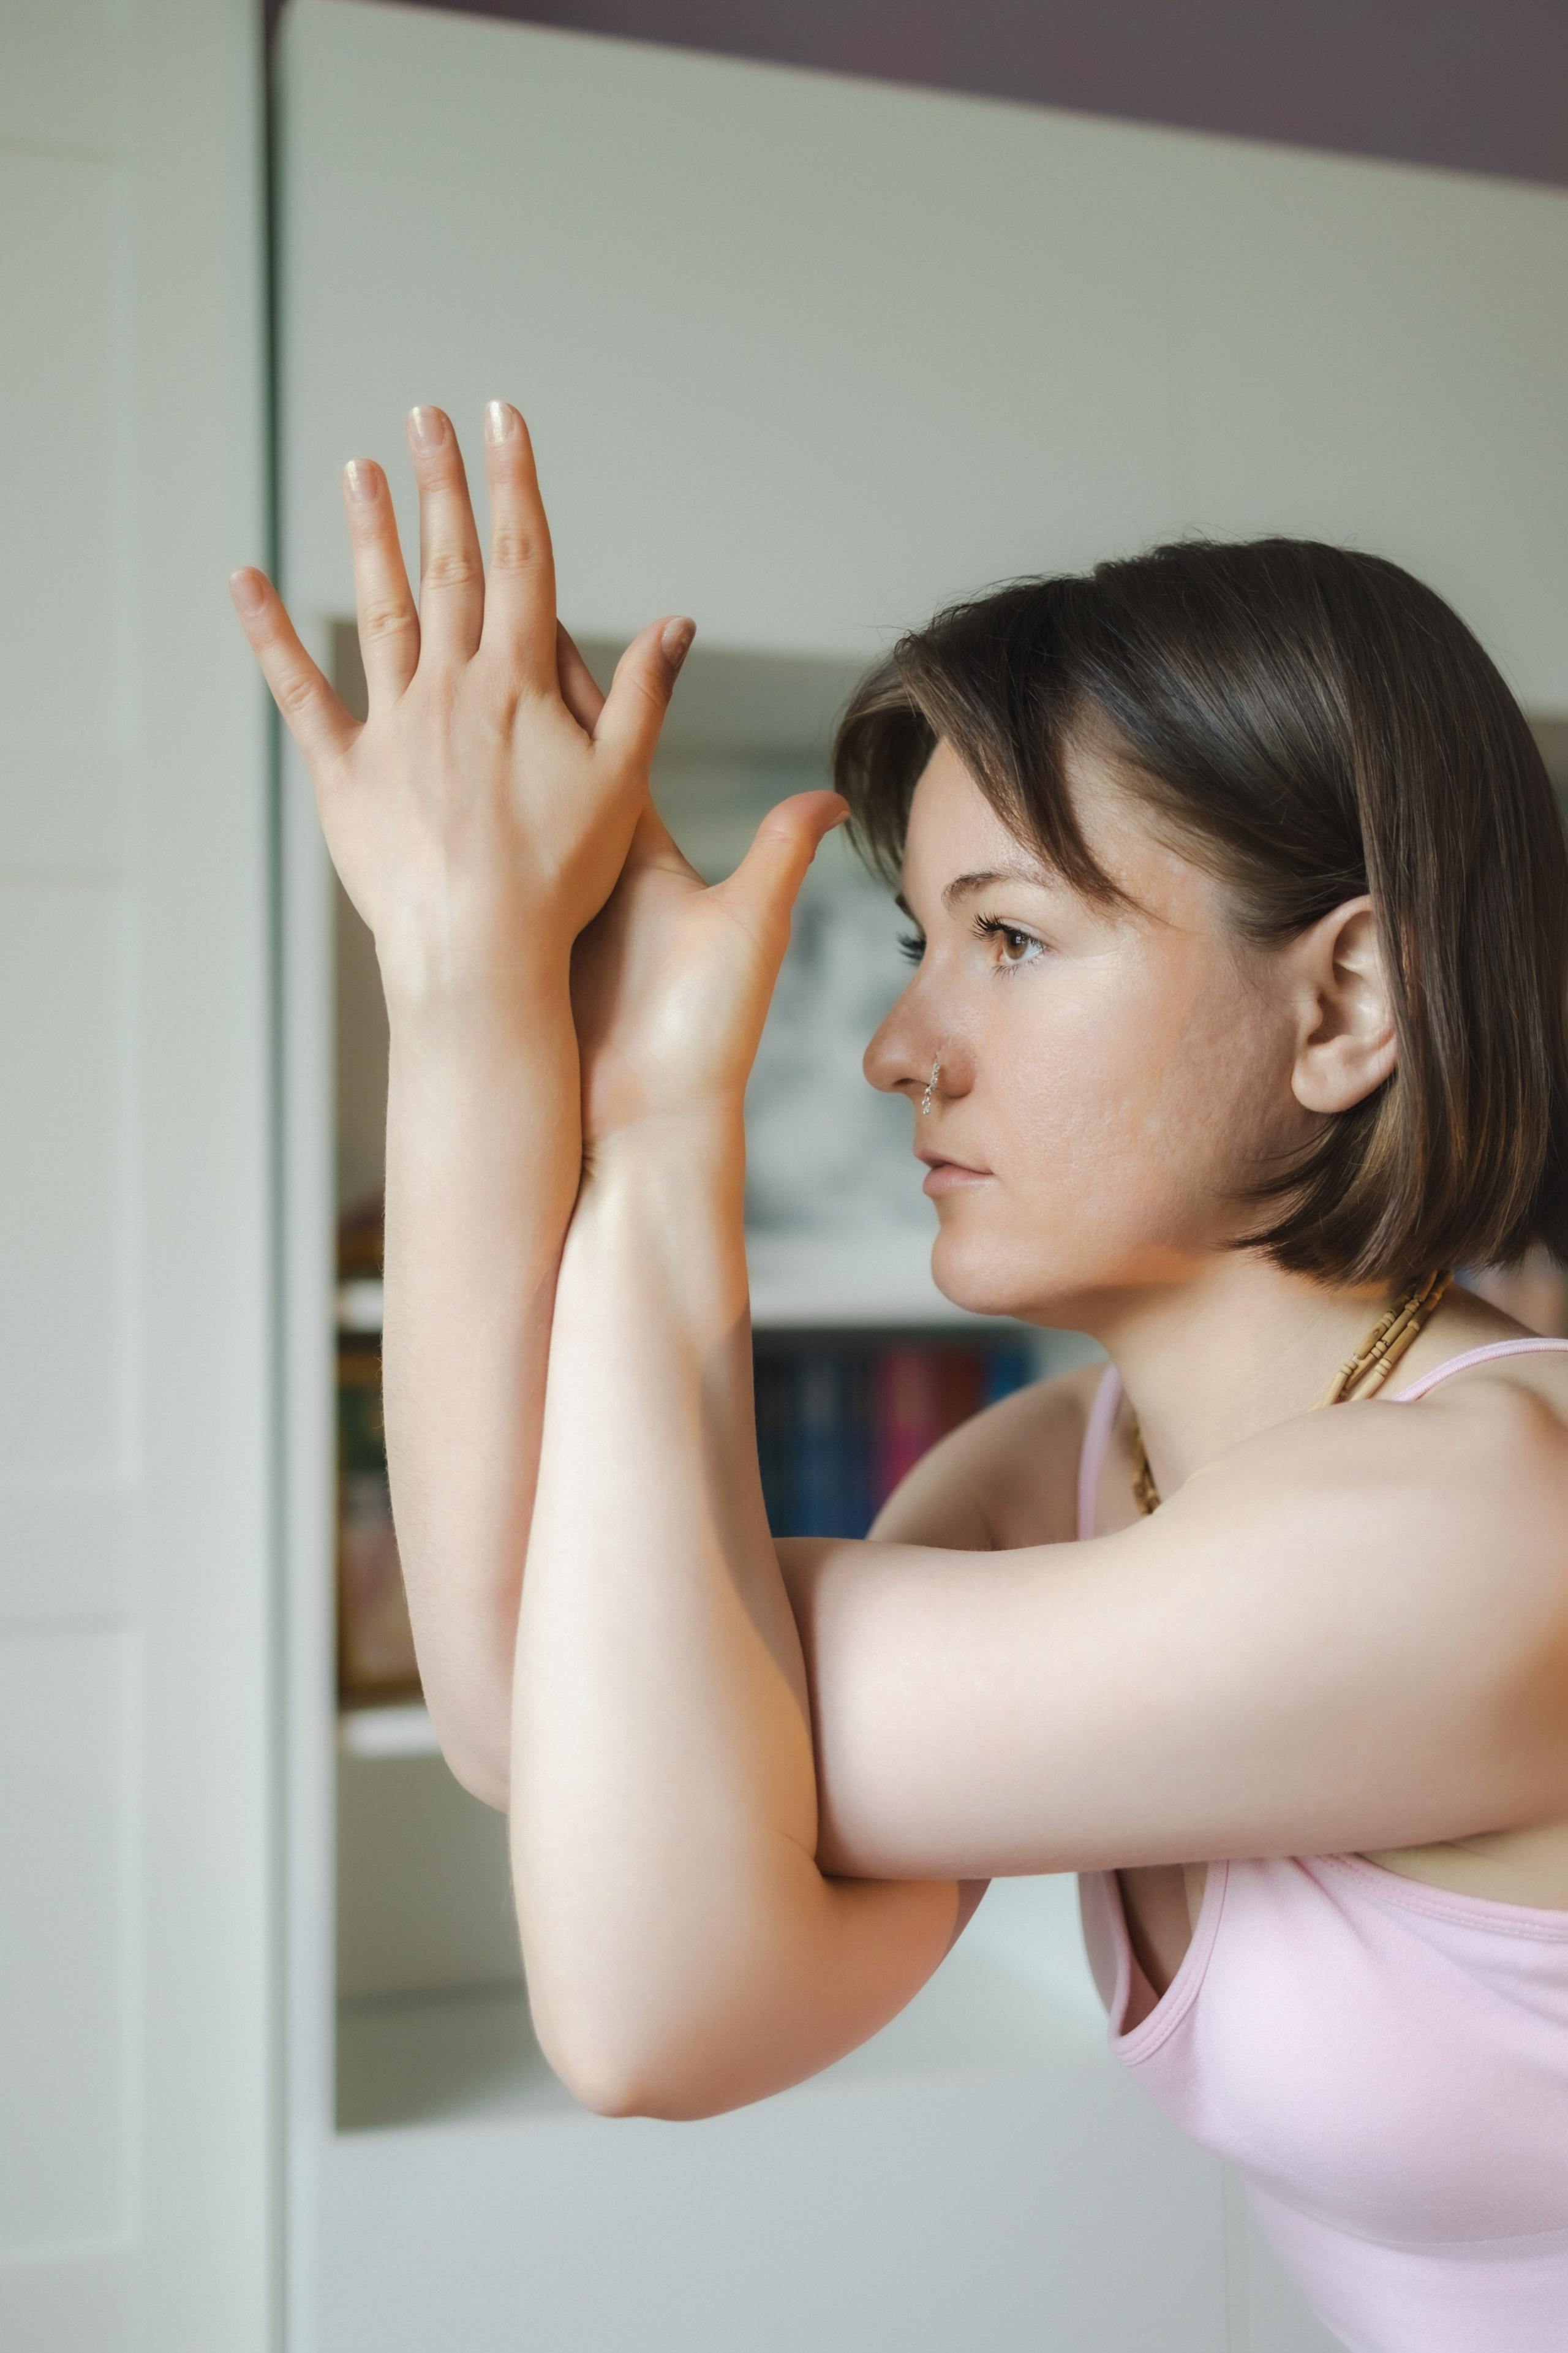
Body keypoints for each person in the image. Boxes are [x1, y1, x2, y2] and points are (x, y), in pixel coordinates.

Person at [232, 402, 1568, 2353]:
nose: (903, 1046)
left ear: (1347, 1001)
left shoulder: (1471, 1533)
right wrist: (464, 979)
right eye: (917, 938)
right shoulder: (1078, 1466)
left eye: (1011, 939)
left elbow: (631, 2011)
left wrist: (662, 1135)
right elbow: (561, 1724)